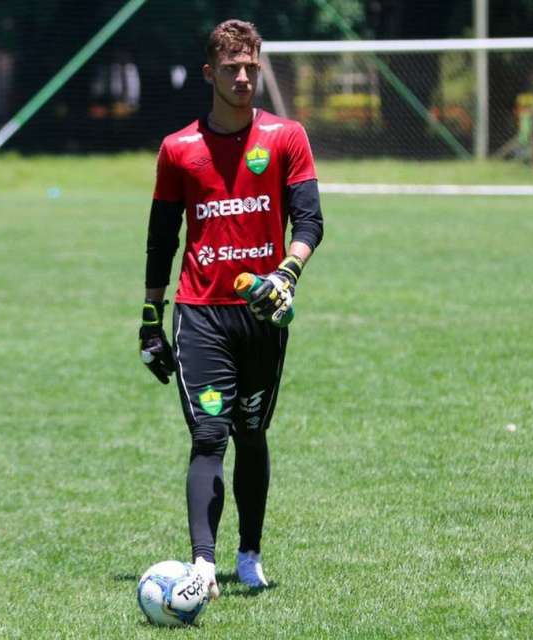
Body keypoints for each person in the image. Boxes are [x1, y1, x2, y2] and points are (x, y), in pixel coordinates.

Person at [138, 19, 323, 599]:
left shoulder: (286, 137)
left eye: (251, 66)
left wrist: (286, 274)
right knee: (209, 435)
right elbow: (161, 238)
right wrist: (149, 319)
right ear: (209, 73)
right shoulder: (178, 149)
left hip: (263, 315)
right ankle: (201, 564)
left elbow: (310, 221)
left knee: (252, 433)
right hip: (200, 314)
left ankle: (249, 556)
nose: (243, 77)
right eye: (231, 68)